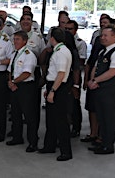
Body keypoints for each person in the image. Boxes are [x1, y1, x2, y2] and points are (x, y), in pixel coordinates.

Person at [87, 27, 115, 154]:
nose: (102, 38)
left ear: (114, 37)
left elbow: (112, 72)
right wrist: (92, 80)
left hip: (109, 91)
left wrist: (96, 80)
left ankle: (108, 145)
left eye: (106, 35)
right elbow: (95, 67)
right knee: (101, 117)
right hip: (98, 90)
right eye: (101, 35)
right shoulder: (102, 52)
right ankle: (102, 141)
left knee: (108, 118)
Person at [39, 27, 73, 161]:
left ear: (52, 38)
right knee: (51, 119)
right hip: (53, 84)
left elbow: (61, 73)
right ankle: (49, 145)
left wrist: (53, 91)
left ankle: (66, 151)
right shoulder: (58, 50)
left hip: (59, 87)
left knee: (60, 121)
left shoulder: (61, 52)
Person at [6, 31, 39, 152]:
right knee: (15, 113)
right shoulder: (15, 53)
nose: (15, 42)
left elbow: (27, 73)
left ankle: (33, 142)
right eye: (14, 39)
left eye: (18, 39)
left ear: (25, 41)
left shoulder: (28, 54)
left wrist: (14, 82)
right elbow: (10, 70)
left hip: (26, 88)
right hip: (15, 86)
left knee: (29, 116)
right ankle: (17, 136)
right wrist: (11, 82)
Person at [66, 20, 87, 137]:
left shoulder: (80, 43)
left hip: (74, 75)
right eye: (66, 29)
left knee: (74, 103)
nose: (68, 31)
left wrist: (76, 84)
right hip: (65, 76)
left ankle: (76, 127)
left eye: (70, 29)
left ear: (75, 30)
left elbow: (80, 63)